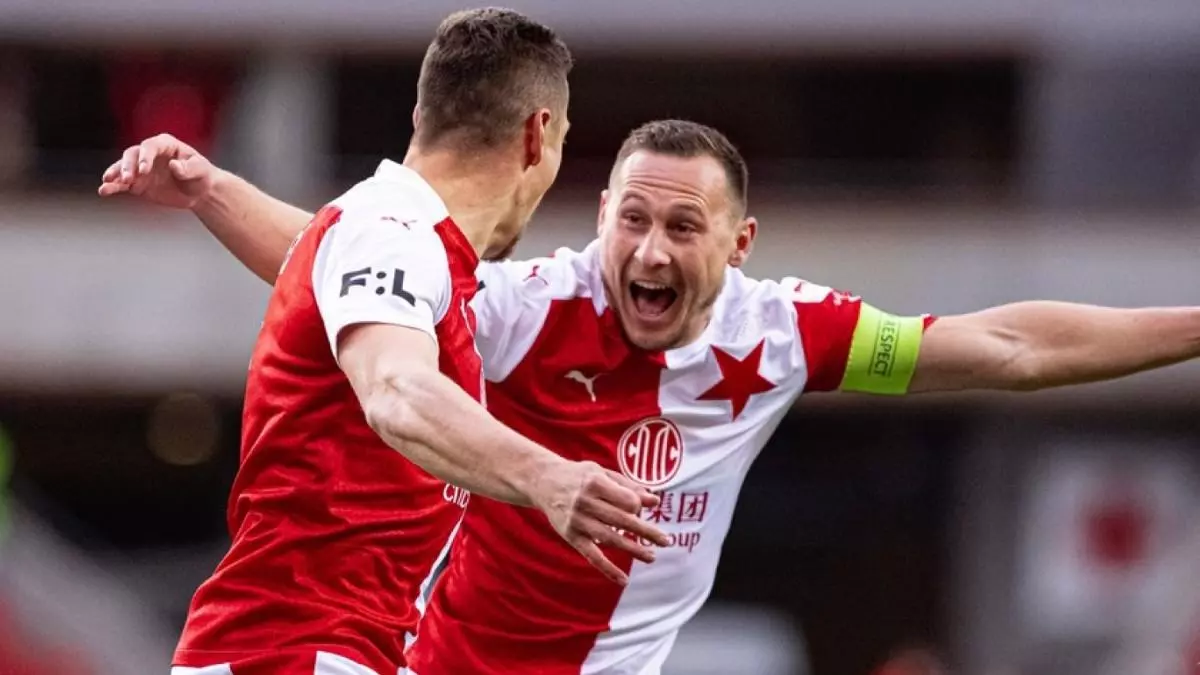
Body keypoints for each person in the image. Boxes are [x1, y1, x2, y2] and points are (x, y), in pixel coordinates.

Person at [104, 119, 1200, 674]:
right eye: (632, 219)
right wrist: (214, 190)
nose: (651, 250)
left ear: (740, 241)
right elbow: (353, 275)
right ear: (602, 220)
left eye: (683, 226)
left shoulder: (785, 336)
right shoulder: (531, 307)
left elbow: (1007, 346)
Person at [98, 9, 668, 675]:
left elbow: (321, 258)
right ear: (538, 135)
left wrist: (213, 190)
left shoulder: (391, 240)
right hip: (295, 651)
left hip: (325, 648)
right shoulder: (392, 231)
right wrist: (548, 477)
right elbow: (396, 389)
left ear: (422, 116)